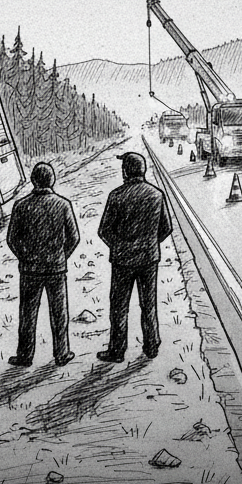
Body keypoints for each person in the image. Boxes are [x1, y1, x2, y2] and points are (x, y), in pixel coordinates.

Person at [96, 152, 171, 362]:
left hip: (122, 260)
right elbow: (166, 228)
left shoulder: (116, 196)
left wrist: (120, 245)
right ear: (143, 170)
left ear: (125, 172)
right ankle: (152, 346)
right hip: (149, 258)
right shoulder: (156, 195)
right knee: (149, 304)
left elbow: (104, 230)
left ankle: (117, 351)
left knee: (119, 307)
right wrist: (148, 243)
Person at [5, 162, 79, 367]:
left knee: (27, 313)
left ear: (33, 181)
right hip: (56, 267)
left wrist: (25, 257)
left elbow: (12, 239)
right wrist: (61, 256)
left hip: (30, 269)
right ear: (52, 180)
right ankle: (62, 353)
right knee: (59, 312)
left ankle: (25, 356)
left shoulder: (21, 205)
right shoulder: (63, 204)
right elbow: (74, 237)